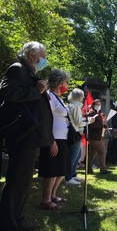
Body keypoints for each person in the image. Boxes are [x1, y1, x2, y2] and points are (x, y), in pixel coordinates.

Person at [0, 41, 53, 230]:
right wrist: (36, 90)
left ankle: (16, 219)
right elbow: (6, 92)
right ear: (32, 54)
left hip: (30, 136)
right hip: (22, 136)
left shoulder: (30, 71)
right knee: (17, 181)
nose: (45, 60)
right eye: (43, 56)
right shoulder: (17, 68)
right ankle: (10, 223)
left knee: (22, 181)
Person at [38, 68, 71, 211]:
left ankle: (53, 195)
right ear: (59, 82)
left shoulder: (58, 98)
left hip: (62, 138)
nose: (67, 85)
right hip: (53, 139)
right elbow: (45, 119)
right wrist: (52, 141)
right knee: (51, 171)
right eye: (66, 82)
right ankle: (45, 200)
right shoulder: (49, 96)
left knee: (60, 170)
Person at [65, 88, 86, 184]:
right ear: (80, 97)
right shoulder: (76, 107)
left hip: (74, 133)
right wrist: (89, 121)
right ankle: (68, 178)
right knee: (73, 157)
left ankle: (73, 174)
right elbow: (78, 122)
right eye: (82, 96)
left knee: (77, 156)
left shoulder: (71, 105)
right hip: (75, 133)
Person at [87, 99, 111, 174]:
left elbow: (100, 124)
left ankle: (89, 169)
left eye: (99, 104)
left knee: (92, 153)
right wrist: (101, 123)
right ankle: (103, 169)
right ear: (93, 105)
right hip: (94, 136)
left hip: (97, 136)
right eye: (97, 104)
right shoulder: (92, 113)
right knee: (103, 151)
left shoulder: (99, 113)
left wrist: (105, 124)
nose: (99, 106)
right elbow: (90, 125)